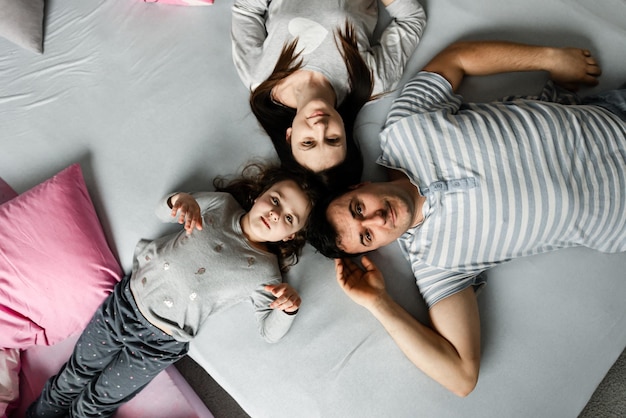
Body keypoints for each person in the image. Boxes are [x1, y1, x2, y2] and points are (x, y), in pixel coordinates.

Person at [308, 39, 626, 396]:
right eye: (367, 236)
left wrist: (551, 57)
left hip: (612, 117)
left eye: (358, 209)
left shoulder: (403, 127)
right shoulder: (436, 264)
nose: (377, 218)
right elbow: (461, 376)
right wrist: (379, 303)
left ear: (359, 185)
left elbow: (455, 60)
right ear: (377, 247)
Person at [27, 164, 322, 417]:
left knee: (99, 401)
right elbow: (163, 210)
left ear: (291, 235)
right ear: (259, 195)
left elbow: (270, 332)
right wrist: (180, 202)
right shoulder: (221, 205)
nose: (275, 213)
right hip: (125, 306)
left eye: (288, 218)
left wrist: (288, 308)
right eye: (275, 200)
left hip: (160, 344)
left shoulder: (266, 271)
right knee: (72, 377)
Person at [231, 0, 426, 189]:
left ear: (289, 136)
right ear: (344, 131)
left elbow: (246, 10)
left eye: (308, 142)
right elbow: (412, 19)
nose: (320, 128)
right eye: (333, 139)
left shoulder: (259, 78)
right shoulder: (372, 80)